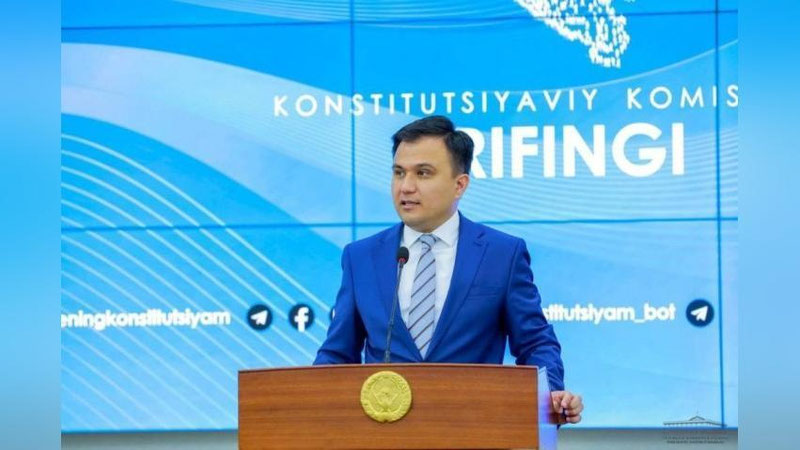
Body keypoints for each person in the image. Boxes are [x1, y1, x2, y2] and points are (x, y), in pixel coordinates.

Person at [314, 115, 583, 424]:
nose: (406, 187)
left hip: (473, 428)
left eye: (423, 173)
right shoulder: (361, 257)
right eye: (399, 173)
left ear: (459, 185)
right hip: (383, 432)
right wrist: (306, 401)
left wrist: (550, 394)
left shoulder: (501, 254)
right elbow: (338, 353)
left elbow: (535, 342)